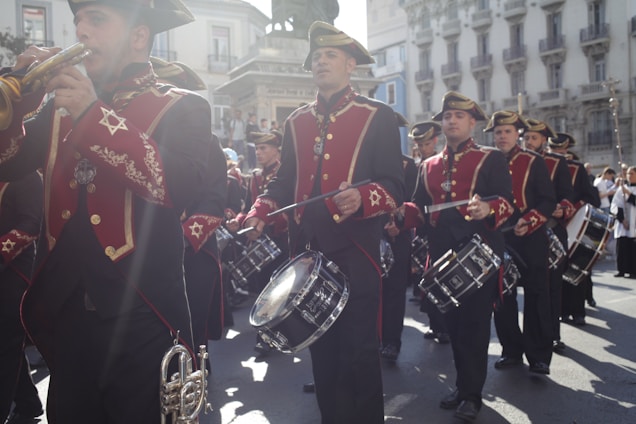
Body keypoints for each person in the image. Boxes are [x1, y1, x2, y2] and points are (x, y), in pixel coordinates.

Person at [0, 0, 211, 421]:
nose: (81, 31)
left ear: (138, 36)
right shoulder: (58, 106)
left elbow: (178, 184)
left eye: (96, 19)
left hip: (143, 316)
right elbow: (10, 162)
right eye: (78, 20)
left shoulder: (183, 106)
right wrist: (20, 102)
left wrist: (91, 114)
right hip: (69, 316)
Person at [243, 21, 404, 424]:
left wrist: (363, 197)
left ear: (351, 64)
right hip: (308, 250)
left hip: (357, 249)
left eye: (330, 55)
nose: (320, 61)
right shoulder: (296, 121)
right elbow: (283, 181)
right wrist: (260, 209)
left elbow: (396, 186)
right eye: (316, 56)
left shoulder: (377, 116)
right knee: (321, 349)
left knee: (360, 350)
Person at [402, 91, 514, 422]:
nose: (451, 121)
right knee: (453, 326)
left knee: (475, 328)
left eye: (458, 116)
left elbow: (508, 203)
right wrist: (398, 214)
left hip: (478, 255)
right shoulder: (428, 166)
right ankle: (463, 385)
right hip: (440, 257)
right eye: (447, 116)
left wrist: (488, 207)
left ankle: (472, 395)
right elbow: (418, 208)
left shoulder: (491, 159)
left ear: (472, 123)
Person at [152, 57, 228, 350]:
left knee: (189, 335)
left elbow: (214, 201)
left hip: (191, 254)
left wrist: (179, 238)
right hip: (145, 256)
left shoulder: (208, 143)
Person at [486, 111, 556, 375]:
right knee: (503, 297)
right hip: (499, 236)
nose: (502, 136)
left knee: (537, 294)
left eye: (507, 132)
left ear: (517, 135)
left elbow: (548, 200)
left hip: (530, 236)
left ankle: (539, 356)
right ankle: (512, 350)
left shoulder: (533, 161)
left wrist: (531, 220)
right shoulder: (487, 161)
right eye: (498, 132)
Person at [233, 130, 289, 354]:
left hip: (283, 240)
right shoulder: (254, 177)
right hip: (260, 242)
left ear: (277, 150)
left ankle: (273, 334)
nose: (259, 152)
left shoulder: (284, 173)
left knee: (280, 289)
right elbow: (246, 208)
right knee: (264, 290)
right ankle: (267, 333)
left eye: (263, 148)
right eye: (256, 148)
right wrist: (239, 221)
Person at [522, 118, 574, 353]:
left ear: (544, 140)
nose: (529, 142)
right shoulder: (516, 161)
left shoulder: (557, 162)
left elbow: (567, 196)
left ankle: (552, 333)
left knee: (551, 287)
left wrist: (561, 208)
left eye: (534, 138)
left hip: (550, 228)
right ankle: (516, 346)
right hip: (522, 232)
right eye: (526, 137)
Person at [0, 173, 43, 424]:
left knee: (5, 345)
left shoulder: (25, 176)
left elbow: (30, 226)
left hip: (15, 274)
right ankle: (28, 401)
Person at [548, 133, 600, 326]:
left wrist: (573, 208)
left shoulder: (577, 168)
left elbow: (591, 197)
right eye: (554, 151)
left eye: (561, 151)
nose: (558, 155)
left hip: (575, 224)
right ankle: (562, 310)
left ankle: (578, 311)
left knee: (577, 269)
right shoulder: (543, 165)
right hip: (553, 223)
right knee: (557, 269)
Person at [379, 113, 419, 362]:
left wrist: (400, 223)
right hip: (370, 235)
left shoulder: (408, 165)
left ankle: (392, 341)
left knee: (395, 291)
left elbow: (414, 202)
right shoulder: (362, 164)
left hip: (398, 236)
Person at [408, 121, 449, 344]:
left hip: (439, 226)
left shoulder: (441, 164)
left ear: (435, 141)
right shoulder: (415, 166)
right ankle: (435, 324)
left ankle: (445, 327)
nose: (423, 148)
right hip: (420, 227)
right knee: (426, 279)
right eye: (419, 144)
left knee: (441, 277)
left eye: (426, 143)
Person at [610, 166, 636, 278]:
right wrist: (622, 219)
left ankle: (633, 270)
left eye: (632, 174)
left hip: (634, 223)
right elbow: (615, 205)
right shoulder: (622, 188)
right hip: (623, 223)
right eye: (628, 174)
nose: (629, 176)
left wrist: (629, 194)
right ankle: (621, 269)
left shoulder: (626, 190)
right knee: (622, 247)